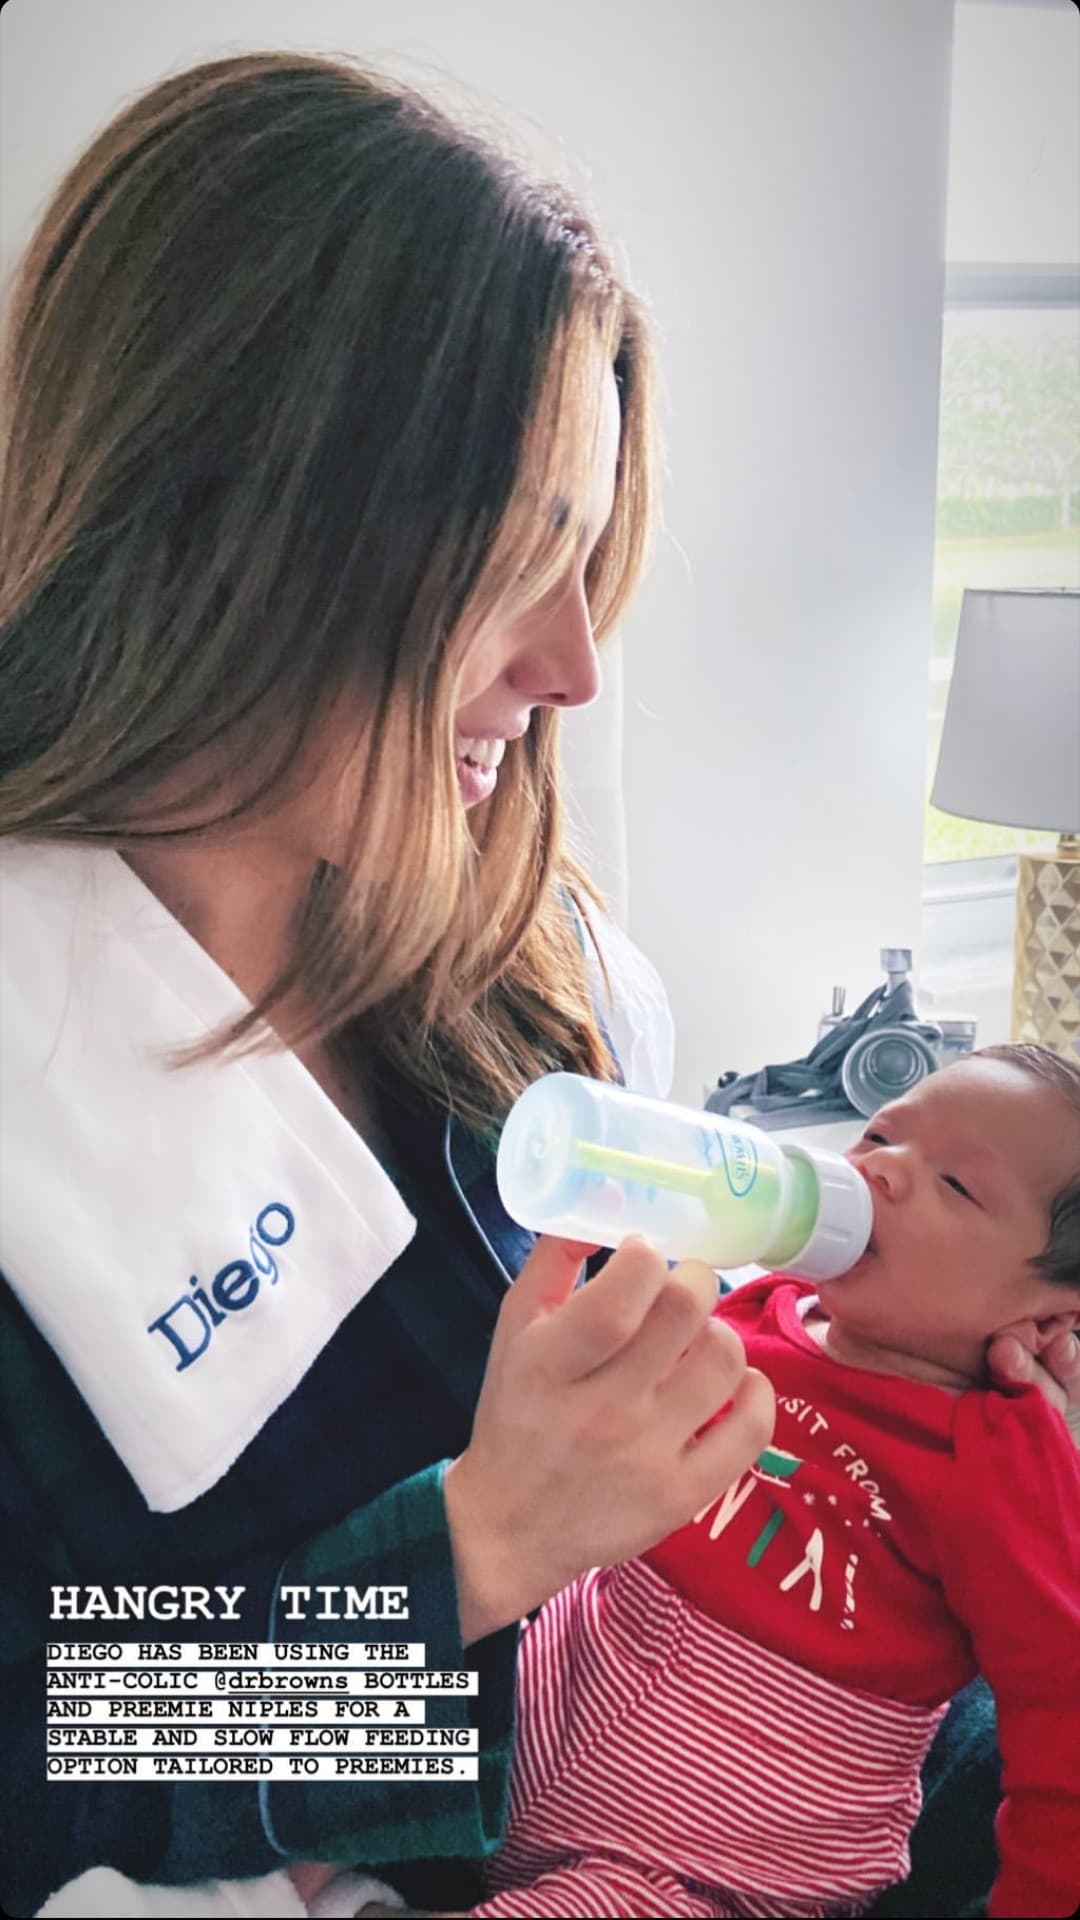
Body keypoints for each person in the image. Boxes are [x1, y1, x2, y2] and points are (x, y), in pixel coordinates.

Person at [0, 48, 1076, 1920]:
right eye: (524, 561)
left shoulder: (527, 964)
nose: (578, 663)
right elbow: (32, 1769)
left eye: (589, 561)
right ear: (232, 531)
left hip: (771, 1742)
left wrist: (959, 1334)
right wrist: (474, 1553)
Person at [455, 1046, 1080, 1920]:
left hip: (713, 1863)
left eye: (958, 1186)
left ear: (1047, 1317)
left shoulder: (1000, 1459)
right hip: (536, 1711)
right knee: (332, 1767)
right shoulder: (762, 1305)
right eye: (881, 1135)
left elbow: (1062, 1702)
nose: (882, 1171)